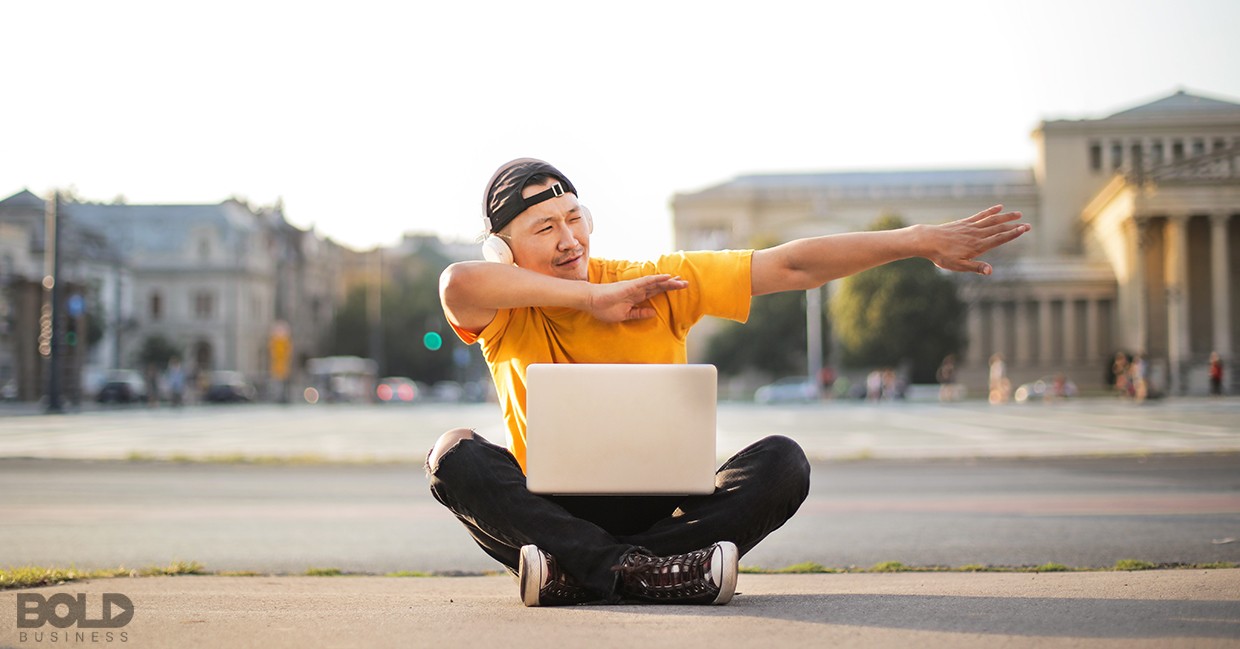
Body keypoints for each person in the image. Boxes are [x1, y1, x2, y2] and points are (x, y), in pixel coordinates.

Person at [427, 158, 1029, 607]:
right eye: (544, 228)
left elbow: (789, 264)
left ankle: (584, 572)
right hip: (549, 511)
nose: (569, 240)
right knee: (453, 455)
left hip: (659, 514)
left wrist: (916, 241)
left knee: (783, 463)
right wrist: (592, 299)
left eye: (574, 219)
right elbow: (457, 284)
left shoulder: (658, 281)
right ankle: (648, 574)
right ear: (501, 252)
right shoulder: (501, 312)